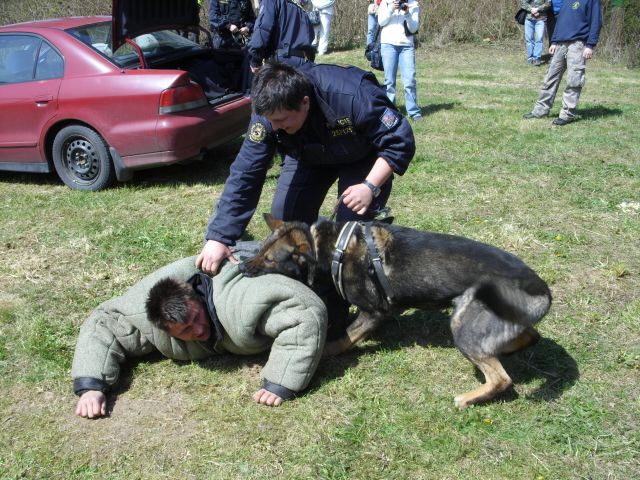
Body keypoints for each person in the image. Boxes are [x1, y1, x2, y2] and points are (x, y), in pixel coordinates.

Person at [196, 60, 414, 277]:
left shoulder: (353, 95)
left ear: (305, 102)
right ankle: (306, 278)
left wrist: (370, 186)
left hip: (361, 157)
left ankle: (351, 287)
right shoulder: (269, 113)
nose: (274, 127)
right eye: (269, 121)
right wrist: (219, 237)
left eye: (280, 120)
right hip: (307, 154)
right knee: (287, 224)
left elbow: (398, 141)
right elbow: (246, 172)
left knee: (350, 235)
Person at [72, 247, 327, 418]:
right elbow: (103, 323)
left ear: (196, 298)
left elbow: (304, 311)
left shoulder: (241, 304)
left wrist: (281, 381)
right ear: (168, 333)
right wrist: (92, 385)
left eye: (197, 318)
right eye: (186, 330)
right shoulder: (143, 318)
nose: (199, 329)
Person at [523, 0, 602, 125]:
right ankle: (540, 110)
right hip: (560, 43)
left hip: (578, 43)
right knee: (550, 77)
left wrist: (590, 45)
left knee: (574, 80)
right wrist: (554, 41)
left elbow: (596, 22)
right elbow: (559, 21)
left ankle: (567, 114)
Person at [377, 0, 422, 121]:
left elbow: (413, 28)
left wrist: (407, 13)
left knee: (409, 80)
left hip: (406, 45)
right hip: (388, 44)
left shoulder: (414, 5)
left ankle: (413, 111)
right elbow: (381, 22)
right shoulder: (385, 3)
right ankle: (390, 110)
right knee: (389, 81)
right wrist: (391, 9)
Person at [247, 0, 316, 73]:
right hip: (301, 64)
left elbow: (263, 29)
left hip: (279, 64)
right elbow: (310, 37)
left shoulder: (271, 2)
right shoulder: (301, 8)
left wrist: (255, 60)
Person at [521, 0, 551, 66]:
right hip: (529, 19)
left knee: (539, 38)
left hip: (541, 19)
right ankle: (530, 57)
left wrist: (538, 9)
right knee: (529, 39)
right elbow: (523, 3)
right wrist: (531, 10)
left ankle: (537, 58)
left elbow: (548, 4)